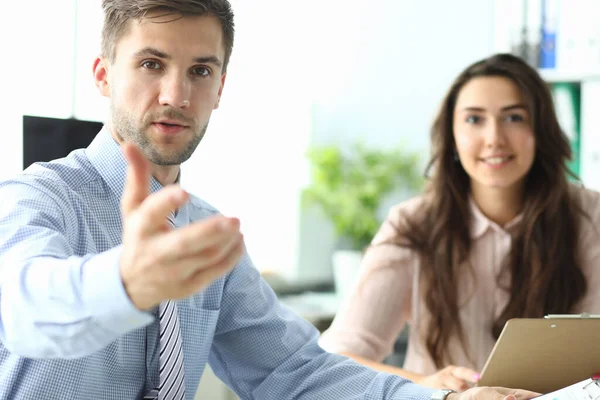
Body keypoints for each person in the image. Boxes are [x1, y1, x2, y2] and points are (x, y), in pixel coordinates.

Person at [0, 2, 538, 399]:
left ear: (220, 88)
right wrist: (125, 284)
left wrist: (443, 398)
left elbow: (295, 371)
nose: (176, 95)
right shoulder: (36, 199)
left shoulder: (206, 234)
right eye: (150, 64)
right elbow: (25, 309)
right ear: (103, 75)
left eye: (200, 71)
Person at [319, 52, 600, 392]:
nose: (494, 138)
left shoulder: (589, 215)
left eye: (513, 117)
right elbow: (338, 358)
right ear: (451, 135)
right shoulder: (413, 223)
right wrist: (428, 386)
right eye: (473, 120)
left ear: (540, 130)